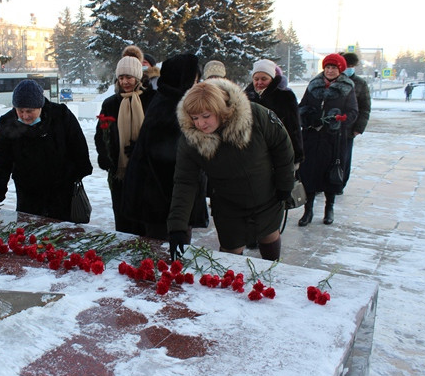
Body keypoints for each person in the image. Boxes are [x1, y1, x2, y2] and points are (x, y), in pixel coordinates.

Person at [167, 79, 295, 261]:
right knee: (231, 250)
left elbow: (283, 147)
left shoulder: (255, 115)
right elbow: (185, 182)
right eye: (195, 118)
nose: (201, 124)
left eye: (205, 116)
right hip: (228, 205)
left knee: (269, 236)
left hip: (267, 196)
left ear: (220, 109)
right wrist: (178, 227)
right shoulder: (191, 140)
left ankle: (272, 271)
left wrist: (285, 185)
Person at [0, 79, 93, 222]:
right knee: (29, 236)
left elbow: (79, 150)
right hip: (28, 194)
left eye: (29, 111)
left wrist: (72, 176)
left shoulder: (61, 116)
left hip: (61, 193)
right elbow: (0, 161)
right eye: (20, 110)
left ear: (40, 106)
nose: (25, 116)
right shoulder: (8, 122)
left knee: (61, 237)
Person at [122, 53, 209, 241]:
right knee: (167, 253)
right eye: (194, 80)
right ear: (182, 79)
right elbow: (166, 160)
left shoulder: (170, 100)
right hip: (163, 201)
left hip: (167, 200)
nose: (197, 85)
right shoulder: (171, 107)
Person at [94, 55, 156, 234]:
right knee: (122, 217)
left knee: (143, 216)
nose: (125, 82)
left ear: (138, 77)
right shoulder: (111, 103)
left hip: (145, 170)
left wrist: (142, 149)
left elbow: (156, 133)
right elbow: (101, 134)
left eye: (129, 77)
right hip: (119, 171)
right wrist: (105, 156)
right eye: (121, 78)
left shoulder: (151, 100)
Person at [297, 54, 359, 226]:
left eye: (334, 68)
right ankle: (307, 211)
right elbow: (302, 106)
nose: (330, 71)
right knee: (308, 174)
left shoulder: (347, 88)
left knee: (330, 175)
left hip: (333, 139)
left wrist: (339, 119)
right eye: (328, 67)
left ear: (340, 70)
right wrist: (307, 117)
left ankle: (329, 208)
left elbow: (353, 112)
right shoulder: (313, 85)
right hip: (312, 138)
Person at [245, 59, 304, 169]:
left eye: (264, 79)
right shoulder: (246, 97)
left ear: (272, 79)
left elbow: (294, 128)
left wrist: (296, 156)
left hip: (278, 153)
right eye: (256, 79)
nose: (259, 82)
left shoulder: (285, 96)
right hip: (252, 155)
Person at [338, 52, 371, 190]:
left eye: (352, 66)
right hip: (330, 127)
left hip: (348, 128)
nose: (349, 68)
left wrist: (359, 128)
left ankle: (340, 183)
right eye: (347, 65)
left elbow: (365, 107)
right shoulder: (334, 79)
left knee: (344, 158)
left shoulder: (360, 83)